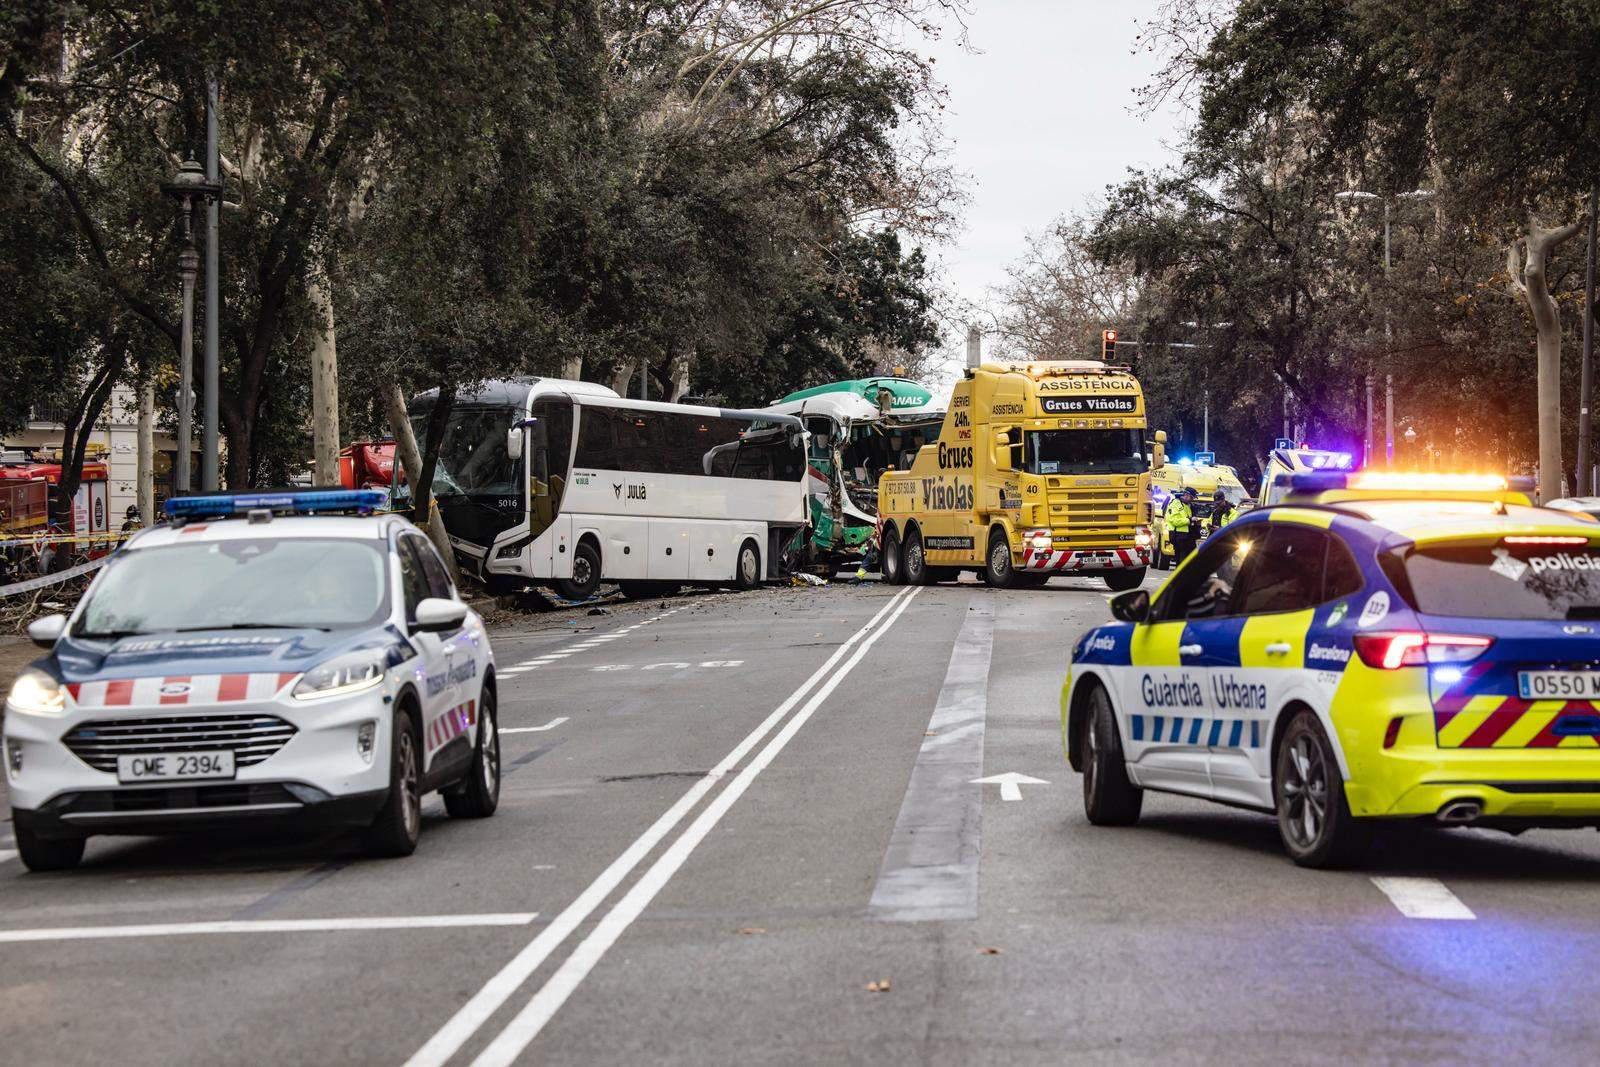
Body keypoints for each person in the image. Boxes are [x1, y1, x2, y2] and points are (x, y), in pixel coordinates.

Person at [1165, 486, 1199, 564]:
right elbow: (1174, 521)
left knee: (1189, 559)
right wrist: (1190, 520)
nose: (1192, 500)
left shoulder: (1187, 505)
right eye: (1191, 498)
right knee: (1181, 560)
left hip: (1187, 536)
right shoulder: (1175, 504)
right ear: (1186, 495)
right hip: (1178, 536)